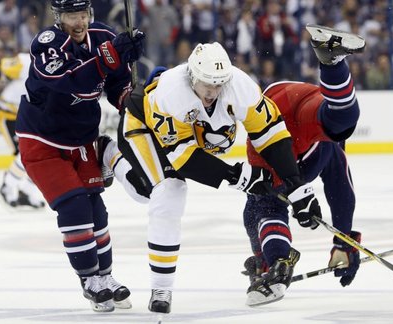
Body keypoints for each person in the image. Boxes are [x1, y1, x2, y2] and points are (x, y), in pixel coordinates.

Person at [97, 41, 324, 315]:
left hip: (187, 135)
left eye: (219, 84)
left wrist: (297, 186)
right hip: (142, 125)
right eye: (207, 83)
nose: (213, 91)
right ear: (192, 75)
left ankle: (109, 155)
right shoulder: (173, 92)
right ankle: (161, 287)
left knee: (143, 191)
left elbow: (271, 135)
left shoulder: (239, 86)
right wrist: (236, 175)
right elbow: (182, 158)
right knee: (169, 192)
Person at [14, 0, 145, 312]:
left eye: (83, 14)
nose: (79, 21)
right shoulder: (46, 44)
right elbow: (70, 80)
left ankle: (106, 277)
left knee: (96, 209)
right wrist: (111, 57)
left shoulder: (102, 36)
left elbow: (116, 85)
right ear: (59, 18)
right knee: (74, 207)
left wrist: (132, 97)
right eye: (72, 15)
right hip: (43, 141)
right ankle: (89, 280)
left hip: (82, 139)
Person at [242, 24, 365, 306]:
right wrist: (343, 240)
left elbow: (337, 183)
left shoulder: (265, 161)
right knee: (341, 122)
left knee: (261, 207)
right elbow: (340, 186)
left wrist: (343, 240)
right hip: (280, 108)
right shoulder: (266, 157)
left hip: (284, 103)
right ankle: (332, 62)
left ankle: (273, 263)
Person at [0, 53, 46, 208]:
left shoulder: (64, 67)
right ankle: (7, 186)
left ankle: (26, 190)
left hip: (32, 117)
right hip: (10, 114)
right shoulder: (26, 61)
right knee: (25, 154)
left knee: (40, 154)